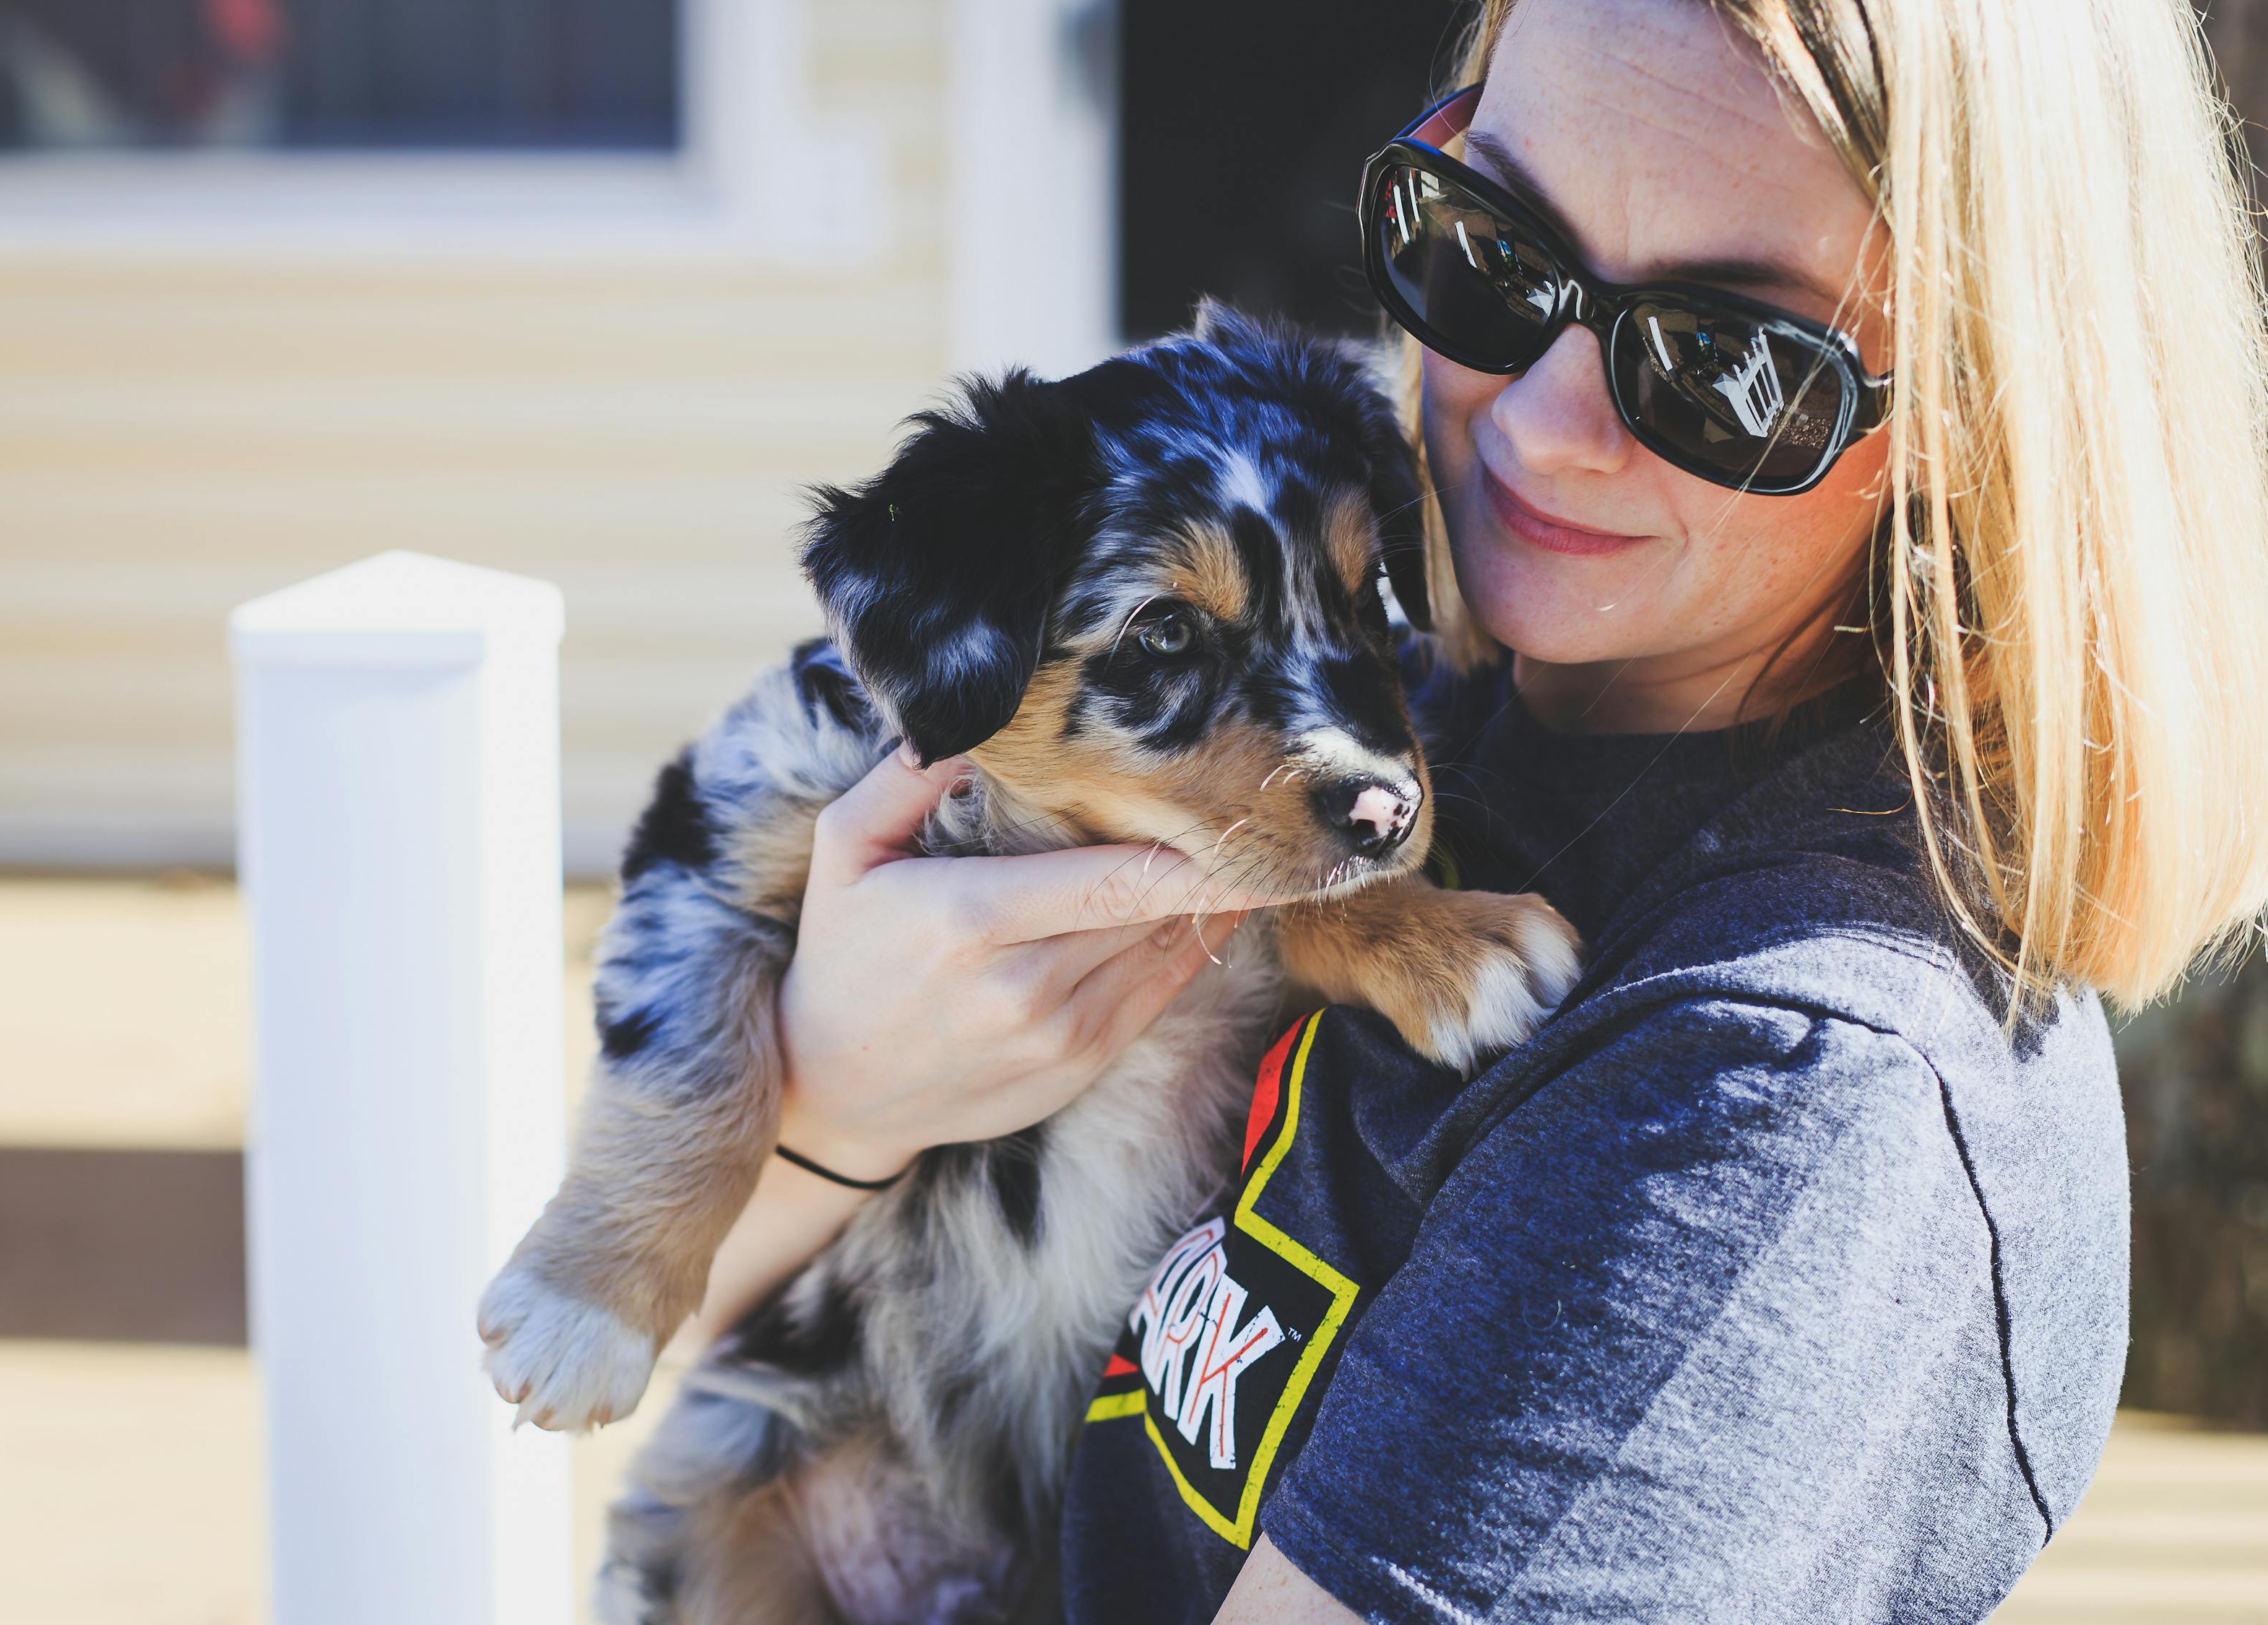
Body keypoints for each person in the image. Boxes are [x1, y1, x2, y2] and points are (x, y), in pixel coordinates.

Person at [669, 0, 2268, 1618]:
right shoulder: (1394, 704)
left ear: (1966, 418)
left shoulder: (1778, 1088)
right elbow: (658, 1341)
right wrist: (833, 1112)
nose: (1542, 429)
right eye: (1492, 255)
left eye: (1725, 364)